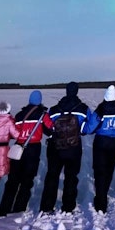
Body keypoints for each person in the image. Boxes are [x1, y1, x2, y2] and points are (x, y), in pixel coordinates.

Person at [38, 82, 94, 213]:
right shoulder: (83, 108)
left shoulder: (54, 108)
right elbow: (87, 129)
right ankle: (68, 207)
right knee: (71, 176)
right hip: (73, 147)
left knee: (52, 175)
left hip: (55, 147)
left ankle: (46, 207)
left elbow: (48, 128)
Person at [0, 91, 47, 217]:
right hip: (33, 148)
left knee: (13, 180)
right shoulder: (42, 114)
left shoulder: (19, 115)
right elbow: (50, 130)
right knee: (27, 180)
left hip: (18, 148)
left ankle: (4, 209)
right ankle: (19, 208)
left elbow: (13, 133)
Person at [88, 85, 115, 212]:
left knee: (99, 170)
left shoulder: (100, 109)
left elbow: (90, 128)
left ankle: (100, 200)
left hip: (101, 142)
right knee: (109, 169)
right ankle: (103, 195)